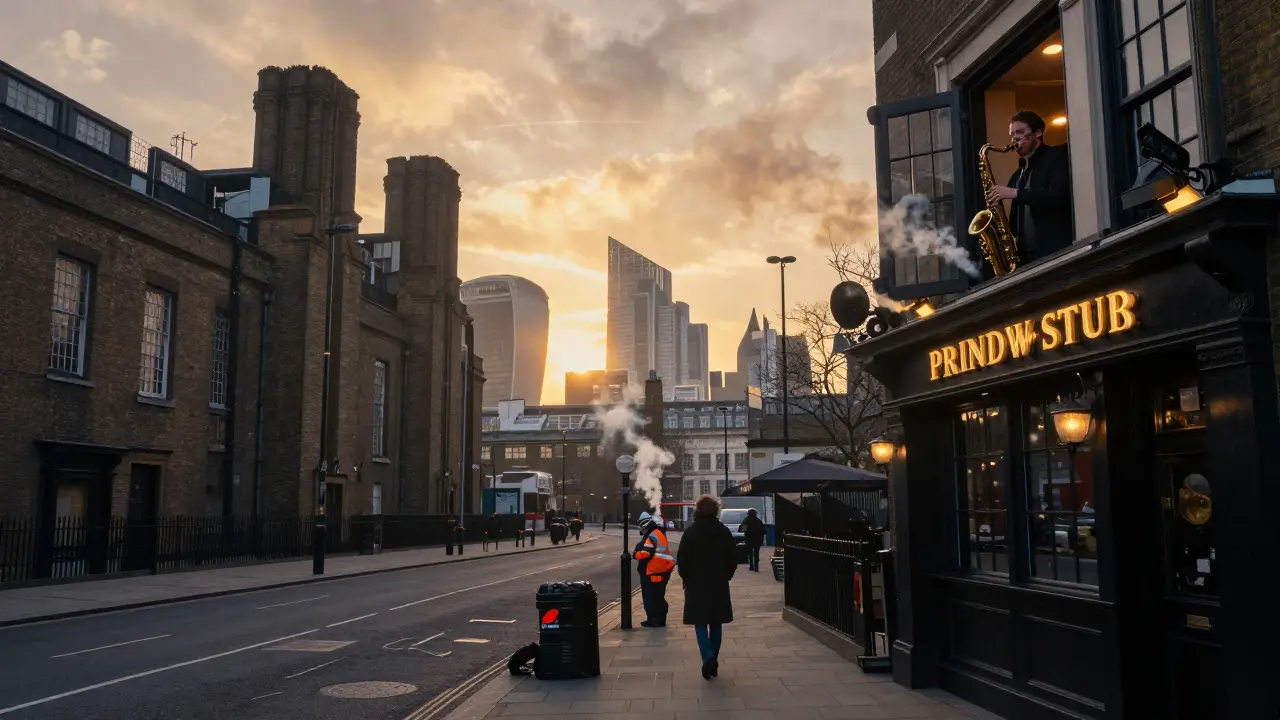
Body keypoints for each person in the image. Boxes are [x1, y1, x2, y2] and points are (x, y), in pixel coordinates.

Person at [985, 109, 1073, 264]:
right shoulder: (1018, 174)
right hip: (1025, 259)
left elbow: (1057, 196)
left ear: (1037, 133)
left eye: (1020, 132)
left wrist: (1015, 193)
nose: (1015, 138)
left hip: (1054, 252)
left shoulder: (1056, 156)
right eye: (1012, 134)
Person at [676, 495, 737, 680]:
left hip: (697, 584)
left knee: (700, 624)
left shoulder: (691, 532)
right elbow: (732, 558)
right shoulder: (723, 531)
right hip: (718, 582)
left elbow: (682, 561)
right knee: (716, 623)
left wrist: (687, 577)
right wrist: (725, 575)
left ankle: (708, 657)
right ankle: (713, 658)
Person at [633, 511, 675, 628]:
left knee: (651, 597)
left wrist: (635, 554)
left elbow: (646, 553)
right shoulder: (658, 533)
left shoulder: (651, 536)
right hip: (661, 571)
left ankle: (654, 620)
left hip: (652, 571)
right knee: (658, 596)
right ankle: (659, 619)